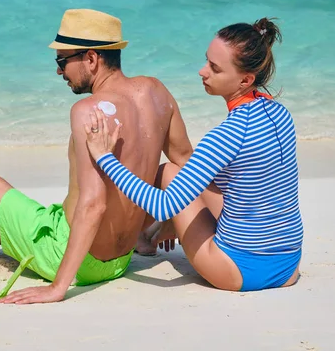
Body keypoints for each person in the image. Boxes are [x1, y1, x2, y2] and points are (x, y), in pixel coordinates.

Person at [0, 8, 193, 304]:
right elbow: (186, 165)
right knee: (2, 224)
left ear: (92, 58)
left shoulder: (88, 111)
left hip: (75, 259)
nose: (58, 71)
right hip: (119, 260)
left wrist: (58, 288)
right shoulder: (157, 93)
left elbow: (93, 204)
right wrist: (164, 223)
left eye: (62, 60)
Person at [84, 18, 303, 292]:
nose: (202, 71)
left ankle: (148, 234)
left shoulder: (228, 134)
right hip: (290, 265)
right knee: (182, 175)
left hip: (241, 270)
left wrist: (106, 158)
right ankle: (159, 232)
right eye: (206, 61)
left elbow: (163, 206)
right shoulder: (280, 113)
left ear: (245, 79)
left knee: (166, 173)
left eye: (214, 68)